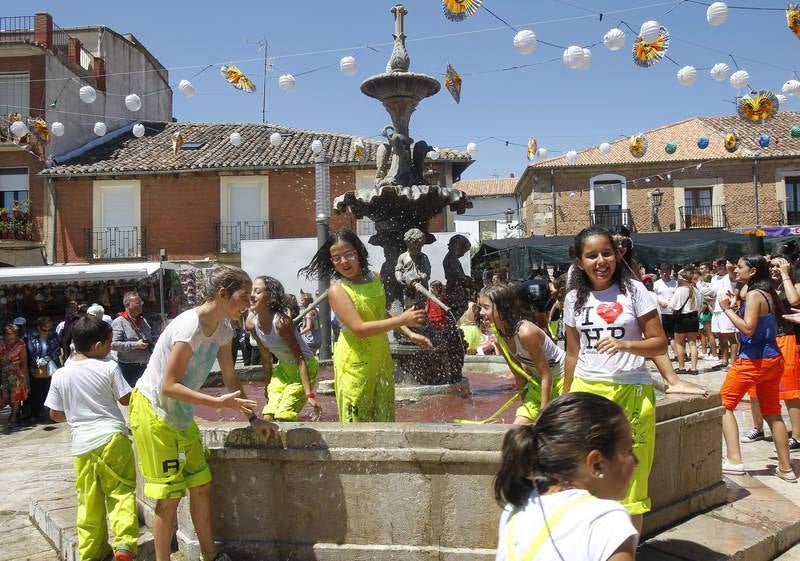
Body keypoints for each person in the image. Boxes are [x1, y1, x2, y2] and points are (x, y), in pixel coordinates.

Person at [128, 265, 279, 561]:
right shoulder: (189, 327)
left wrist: (253, 419)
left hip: (180, 414)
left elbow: (230, 376)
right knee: (169, 497)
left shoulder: (224, 328)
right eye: (244, 296)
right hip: (154, 411)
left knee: (200, 485)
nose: (249, 304)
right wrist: (218, 404)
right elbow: (168, 385)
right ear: (223, 294)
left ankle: (210, 555)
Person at [563, 226, 667, 531]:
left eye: (606, 253)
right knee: (583, 475)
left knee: (631, 483)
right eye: (591, 255)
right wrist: (565, 398)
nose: (601, 261)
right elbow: (572, 353)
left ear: (617, 255)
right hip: (586, 393)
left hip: (630, 392)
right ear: (579, 262)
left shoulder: (635, 291)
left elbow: (659, 343)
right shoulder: (573, 299)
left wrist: (625, 344)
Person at [300, 230, 431, 422]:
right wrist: (402, 320)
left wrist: (410, 334)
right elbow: (359, 328)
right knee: (356, 421)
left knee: (384, 418)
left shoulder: (375, 278)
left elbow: (381, 312)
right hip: (355, 362)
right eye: (336, 258)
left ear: (359, 252)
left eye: (349, 254)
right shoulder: (337, 290)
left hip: (380, 357)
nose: (344, 261)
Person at [494, 392, 638, 561]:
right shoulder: (606, 520)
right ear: (596, 463)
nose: (636, 461)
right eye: (628, 451)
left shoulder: (516, 506)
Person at [44, 315, 139, 561]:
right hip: (113, 439)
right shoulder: (108, 367)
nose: (110, 348)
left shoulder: (61, 375)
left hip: (82, 445)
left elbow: (55, 414)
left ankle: (91, 553)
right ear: (98, 346)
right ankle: (124, 546)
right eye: (109, 344)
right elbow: (126, 399)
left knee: (88, 501)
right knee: (120, 492)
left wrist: (77, 415)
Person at [717, 255, 796, 482]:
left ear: (752, 272)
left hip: (753, 359)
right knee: (772, 412)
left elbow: (749, 329)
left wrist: (726, 310)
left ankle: (734, 460)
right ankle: (786, 468)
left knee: (723, 405)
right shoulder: (767, 293)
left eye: (740, 266)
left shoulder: (753, 295)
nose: (735, 268)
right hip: (773, 358)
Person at [480, 284, 564, 424]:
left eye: (486, 307)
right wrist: (526, 406)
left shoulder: (525, 333)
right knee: (517, 433)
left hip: (562, 380)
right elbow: (519, 376)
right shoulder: (500, 336)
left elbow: (546, 375)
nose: (481, 312)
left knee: (549, 430)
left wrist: (542, 416)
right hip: (539, 385)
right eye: (480, 307)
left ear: (502, 308)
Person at [741, 256, 800, 449]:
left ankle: (798, 435)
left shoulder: (794, 283)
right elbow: (743, 293)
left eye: (779, 265)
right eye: (772, 266)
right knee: (755, 387)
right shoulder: (761, 286)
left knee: (790, 389)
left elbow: (794, 299)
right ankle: (758, 428)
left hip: (786, 337)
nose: (775, 269)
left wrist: (785, 274)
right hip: (764, 340)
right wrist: (758, 270)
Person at [247, 276, 321, 421]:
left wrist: (309, 394)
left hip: (304, 366)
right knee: (268, 415)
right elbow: (266, 358)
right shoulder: (251, 325)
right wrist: (267, 387)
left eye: (257, 291)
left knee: (284, 416)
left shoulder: (281, 323)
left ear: (270, 297)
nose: (251, 295)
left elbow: (300, 359)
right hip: (282, 370)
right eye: (251, 291)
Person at [112, 291, 155, 388]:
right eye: (137, 303)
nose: (141, 305)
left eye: (141, 303)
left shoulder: (143, 320)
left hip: (145, 366)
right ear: (127, 305)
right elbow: (114, 345)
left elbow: (150, 338)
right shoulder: (119, 322)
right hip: (129, 369)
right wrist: (136, 345)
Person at [26, 316, 61, 420]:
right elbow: (31, 350)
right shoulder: (31, 335)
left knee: (50, 388)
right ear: (38, 327)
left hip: (51, 364)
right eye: (44, 329)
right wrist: (38, 360)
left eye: (49, 329)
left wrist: (49, 358)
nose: (46, 332)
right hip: (37, 366)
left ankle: (50, 413)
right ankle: (35, 413)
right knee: (37, 390)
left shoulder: (53, 334)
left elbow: (56, 348)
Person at [670, 269, 702, 375]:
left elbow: (672, 305)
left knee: (679, 343)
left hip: (682, 318)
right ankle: (693, 368)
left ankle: (681, 367)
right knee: (693, 344)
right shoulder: (696, 289)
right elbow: (699, 305)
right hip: (693, 317)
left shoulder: (680, 290)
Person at [711, 258, 739, 368]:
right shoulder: (714, 278)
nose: (713, 268)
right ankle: (724, 359)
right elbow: (713, 292)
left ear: (722, 265)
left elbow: (731, 271)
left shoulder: (730, 276)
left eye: (715, 266)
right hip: (716, 309)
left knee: (731, 336)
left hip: (727, 309)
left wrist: (728, 264)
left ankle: (733, 362)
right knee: (721, 336)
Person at [0, 323, 29, 427]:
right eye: (8, 335)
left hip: (16, 375)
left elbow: (24, 364)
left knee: (15, 397)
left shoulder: (21, 345)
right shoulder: (1, 344)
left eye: (14, 335)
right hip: (3, 374)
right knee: (4, 398)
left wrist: (26, 380)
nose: (11, 338)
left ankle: (13, 418)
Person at [443, 234, 473, 320]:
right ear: (456, 246)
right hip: (455, 291)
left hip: (455, 290)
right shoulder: (451, 259)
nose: (463, 254)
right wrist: (468, 280)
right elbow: (458, 276)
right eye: (463, 251)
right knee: (457, 313)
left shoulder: (452, 258)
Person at [653, 263, 678, 355]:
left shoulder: (675, 283)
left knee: (673, 336)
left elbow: (678, 295)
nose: (664, 274)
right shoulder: (656, 284)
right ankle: (664, 354)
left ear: (670, 271)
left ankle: (677, 354)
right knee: (662, 336)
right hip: (661, 313)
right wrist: (660, 302)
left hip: (672, 312)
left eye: (666, 271)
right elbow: (653, 296)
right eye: (663, 271)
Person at [298, 291, 322, 356]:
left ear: (306, 301)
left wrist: (298, 334)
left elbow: (309, 327)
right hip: (317, 338)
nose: (300, 302)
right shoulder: (315, 310)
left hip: (309, 340)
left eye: (302, 300)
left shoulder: (309, 313)